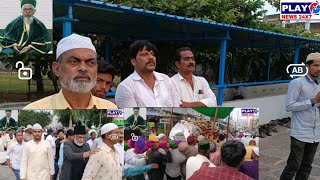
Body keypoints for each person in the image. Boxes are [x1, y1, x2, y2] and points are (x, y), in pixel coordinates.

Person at [23, 34, 117, 109]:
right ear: (57, 69)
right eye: (74, 62)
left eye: (91, 62)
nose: (83, 68)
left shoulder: (110, 108)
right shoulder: (34, 108)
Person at [280, 52, 320, 180]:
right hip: (300, 133)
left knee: (307, 166)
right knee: (293, 166)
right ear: (307, 66)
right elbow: (289, 106)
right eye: (315, 65)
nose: (319, 69)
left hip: (316, 134)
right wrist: (313, 101)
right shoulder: (297, 83)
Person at [115, 40, 180, 108]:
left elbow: (177, 109)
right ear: (134, 61)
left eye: (152, 54)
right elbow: (132, 117)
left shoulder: (166, 80)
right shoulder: (125, 87)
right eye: (145, 54)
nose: (151, 57)